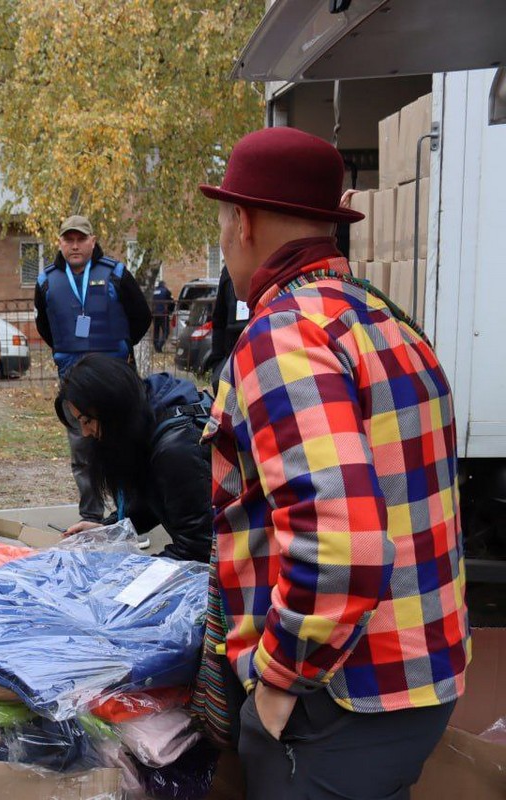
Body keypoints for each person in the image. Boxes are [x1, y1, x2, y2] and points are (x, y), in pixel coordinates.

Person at [199, 127, 470, 798]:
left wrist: (276, 683)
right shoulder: (384, 317)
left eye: (224, 221)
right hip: (419, 672)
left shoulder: (284, 335)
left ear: (246, 221)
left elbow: (340, 545)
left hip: (340, 696)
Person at [34, 215, 152, 528]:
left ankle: (129, 519)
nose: (74, 245)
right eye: (68, 239)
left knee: (124, 445)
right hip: (74, 382)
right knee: (83, 450)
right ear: (60, 242)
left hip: (115, 382)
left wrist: (120, 351)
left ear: (93, 240)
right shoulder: (46, 281)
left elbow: (141, 316)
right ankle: (91, 518)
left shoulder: (115, 274)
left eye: (81, 239)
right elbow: (45, 326)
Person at [58, 353, 212, 562]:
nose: (85, 433)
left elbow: (198, 551)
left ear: (113, 410)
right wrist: (108, 530)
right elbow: (157, 500)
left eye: (88, 421)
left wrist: (130, 573)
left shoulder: (177, 450)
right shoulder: (148, 412)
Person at [151, 280, 174, 352]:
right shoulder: (166, 291)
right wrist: (170, 311)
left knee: (156, 331)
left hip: (155, 314)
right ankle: (159, 346)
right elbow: (171, 302)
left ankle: (156, 346)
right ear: (164, 285)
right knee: (166, 332)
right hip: (163, 314)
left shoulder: (155, 292)